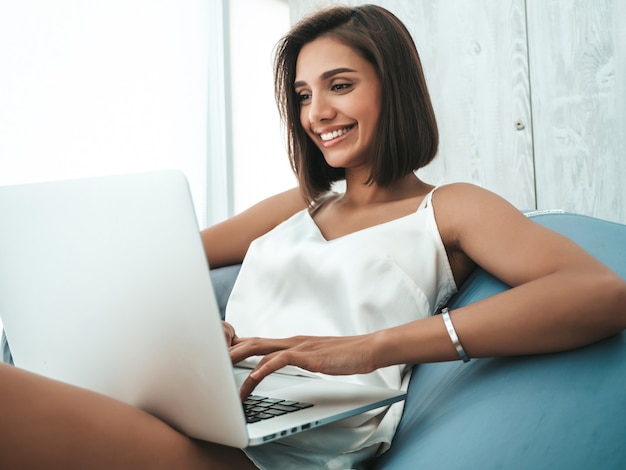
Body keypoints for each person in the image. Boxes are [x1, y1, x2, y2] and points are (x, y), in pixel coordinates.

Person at [1, 4, 625, 469]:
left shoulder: (450, 208)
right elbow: (160, 264)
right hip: (219, 417)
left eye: (341, 85)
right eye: (303, 95)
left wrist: (368, 347)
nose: (317, 113)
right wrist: (189, 339)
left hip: (289, 454)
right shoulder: (297, 206)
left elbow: (600, 292)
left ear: (395, 89)